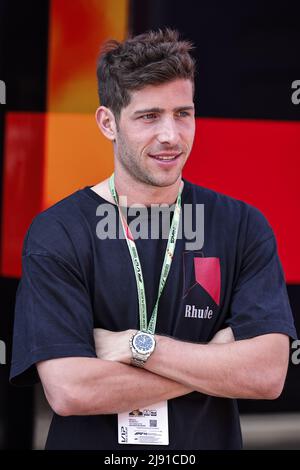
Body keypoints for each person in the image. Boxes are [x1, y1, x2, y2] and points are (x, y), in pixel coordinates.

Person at [10, 29, 296, 450]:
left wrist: (135, 346)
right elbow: (71, 391)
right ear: (108, 122)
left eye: (183, 113)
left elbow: (267, 376)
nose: (171, 135)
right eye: (149, 116)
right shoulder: (59, 232)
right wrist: (215, 365)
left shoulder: (241, 226)